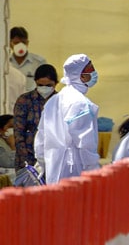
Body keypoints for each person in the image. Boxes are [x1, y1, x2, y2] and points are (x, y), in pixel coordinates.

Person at [34, 54, 100, 184]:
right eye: (90, 69)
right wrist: (93, 169)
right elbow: (85, 142)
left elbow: (41, 135)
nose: (94, 73)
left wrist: (41, 162)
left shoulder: (54, 100)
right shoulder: (80, 103)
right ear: (81, 75)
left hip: (53, 165)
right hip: (74, 167)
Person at [13, 64, 58, 170]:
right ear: (35, 82)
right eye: (41, 85)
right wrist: (26, 160)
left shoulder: (60, 101)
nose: (44, 89)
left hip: (53, 156)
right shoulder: (25, 100)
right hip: (28, 156)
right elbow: (18, 132)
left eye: (49, 85)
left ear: (56, 83)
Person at [8, 26, 47, 92]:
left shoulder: (39, 62)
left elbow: (44, 85)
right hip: (11, 100)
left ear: (27, 43)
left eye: (23, 42)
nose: (20, 46)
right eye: (16, 43)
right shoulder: (5, 63)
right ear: (10, 44)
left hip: (31, 100)